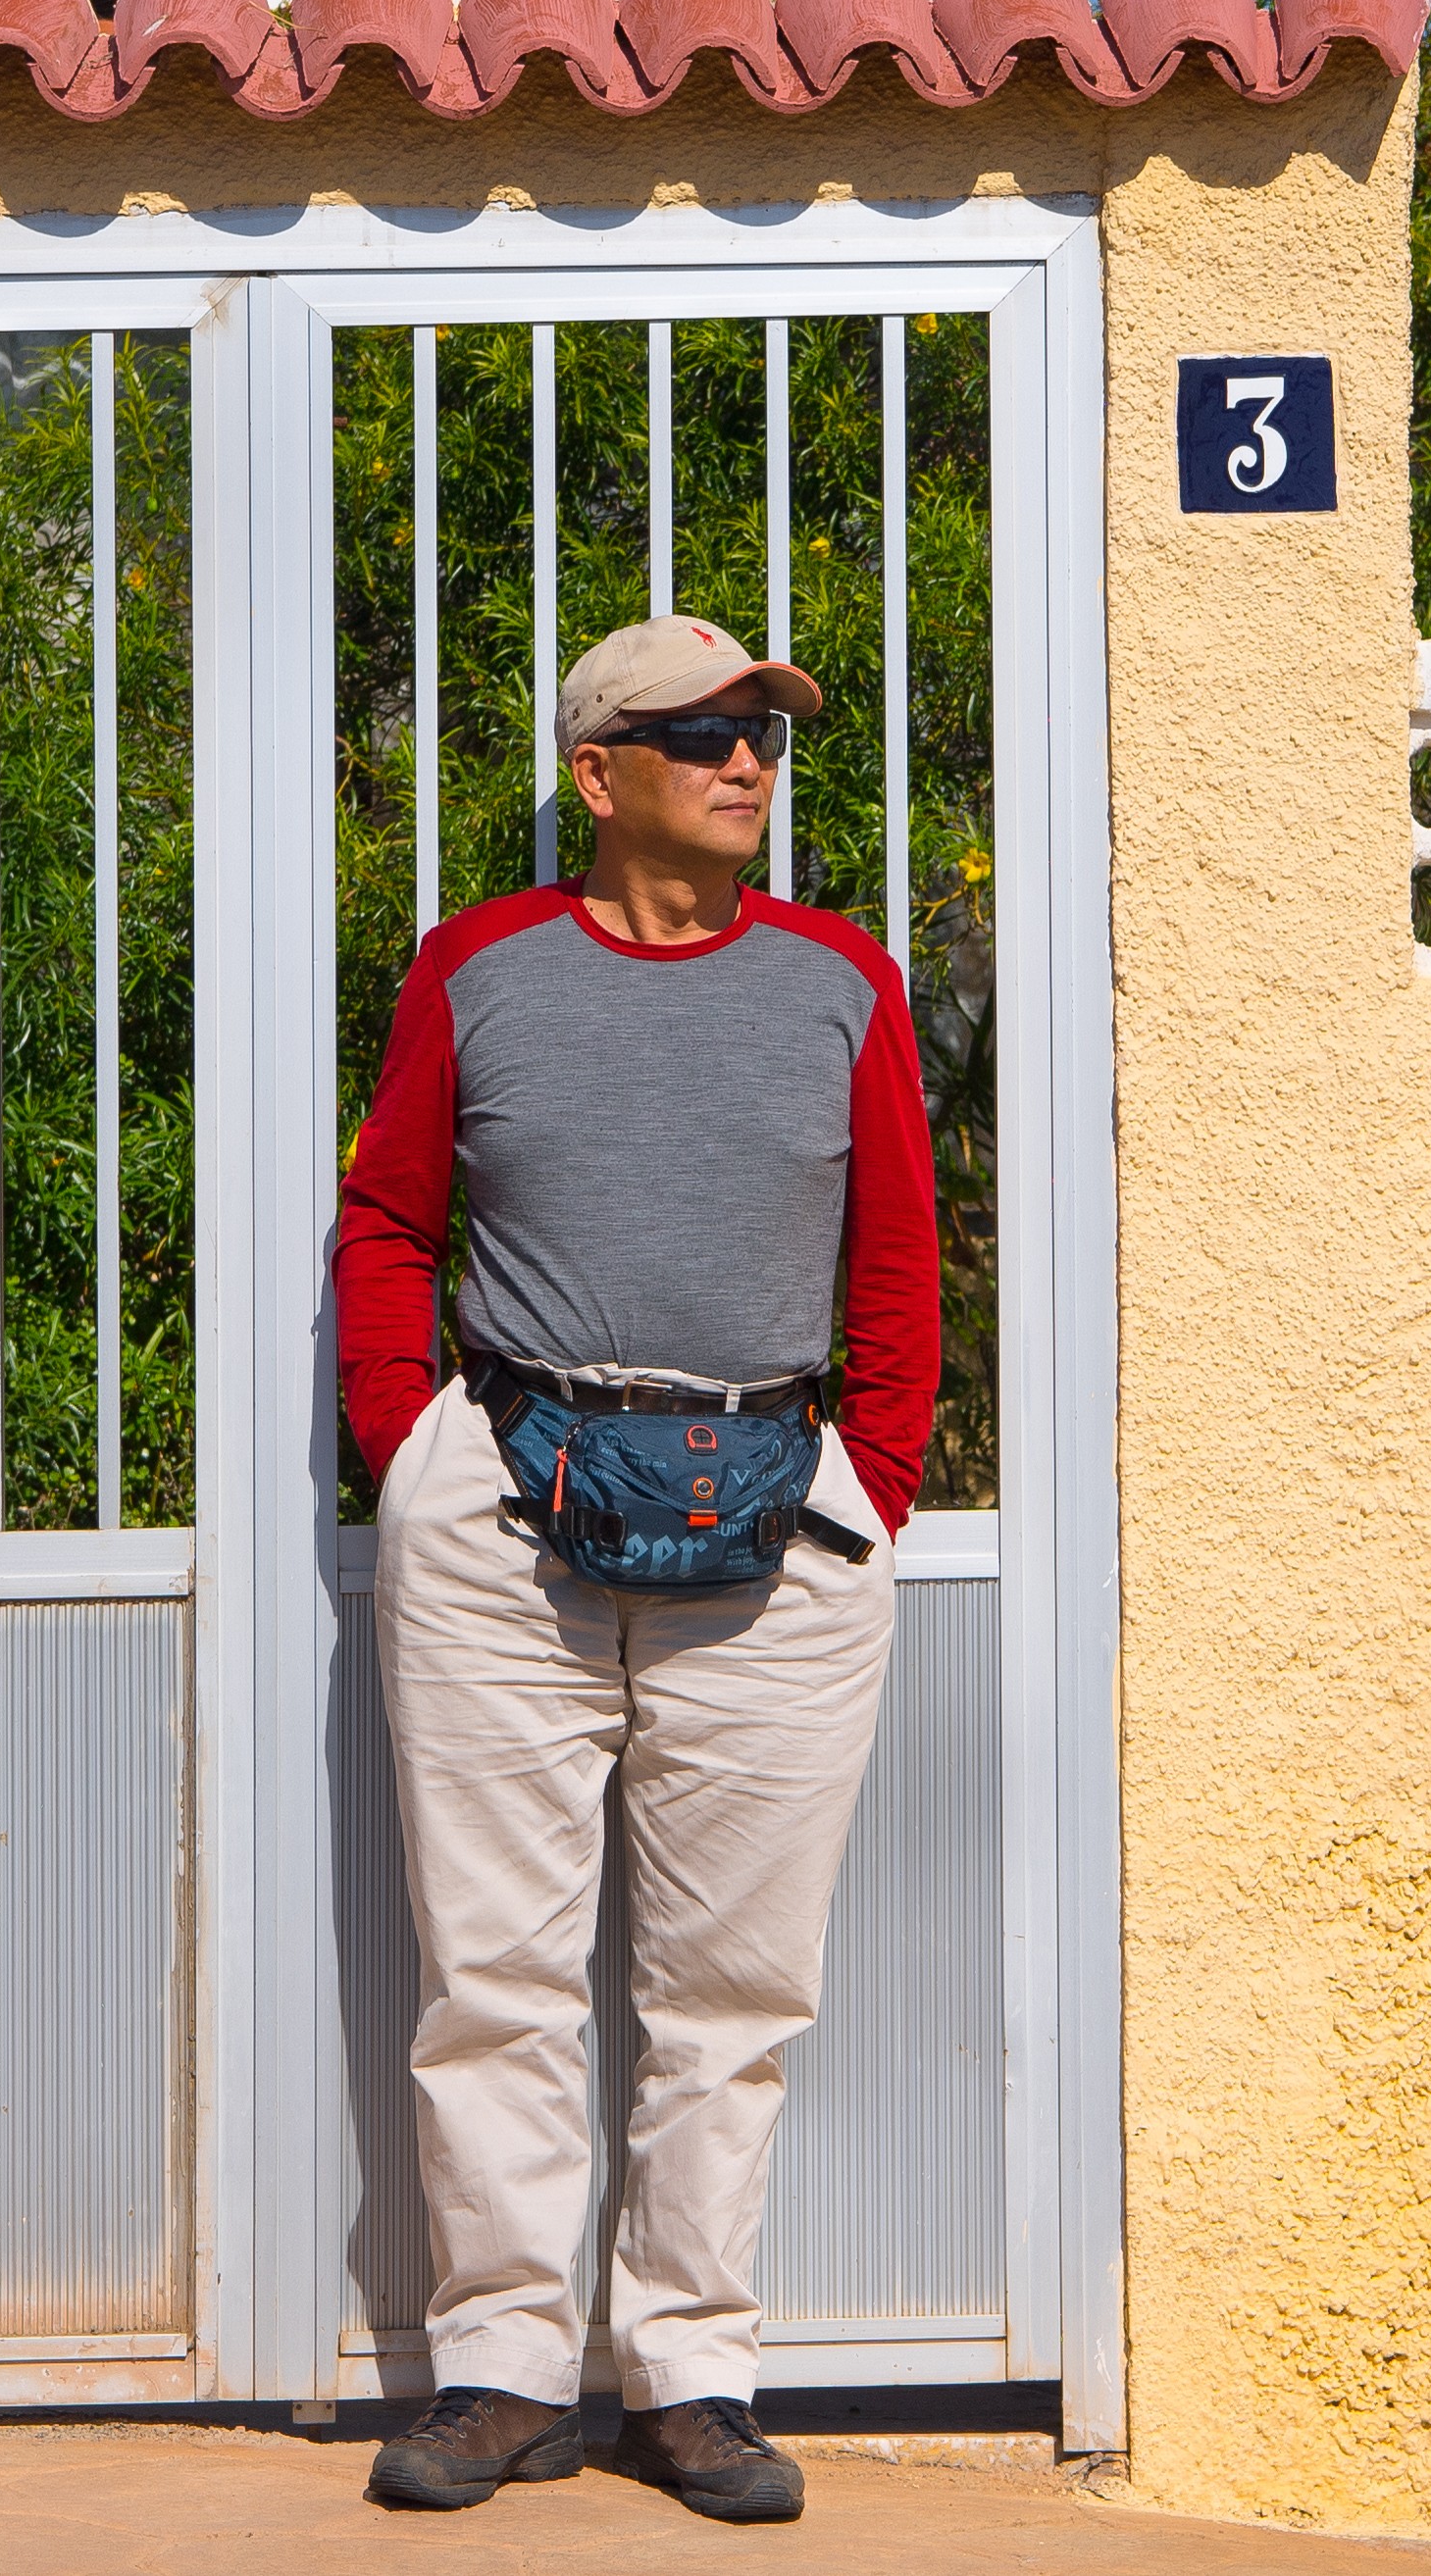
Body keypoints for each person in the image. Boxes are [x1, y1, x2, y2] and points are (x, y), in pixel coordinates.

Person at [332, 612, 942, 2525]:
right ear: (600, 777)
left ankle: (693, 2378)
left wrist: (881, 1483)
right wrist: (405, 1443)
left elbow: (903, 1263)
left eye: (764, 731)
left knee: (733, 1985)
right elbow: (389, 1219)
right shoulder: (477, 973)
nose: (748, 762)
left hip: (784, 1517)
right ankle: (503, 2370)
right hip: (504, 1509)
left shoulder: (847, 983)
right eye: (700, 735)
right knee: (493, 1974)